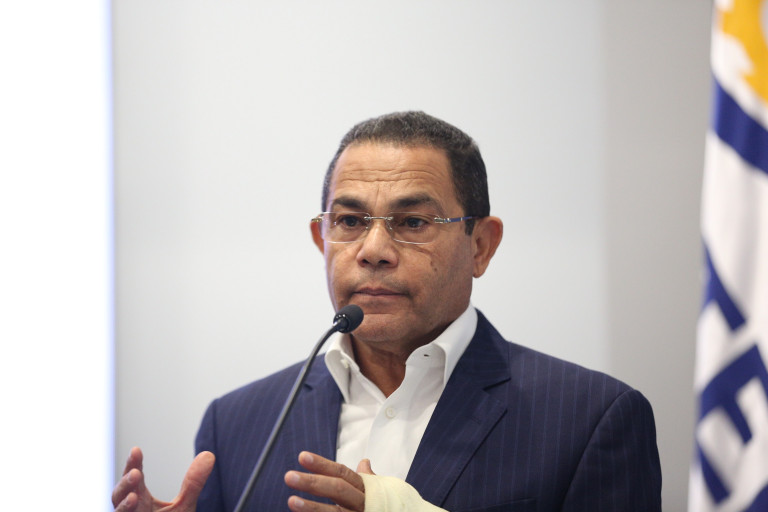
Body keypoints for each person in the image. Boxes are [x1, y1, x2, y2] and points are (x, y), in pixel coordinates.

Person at [112, 111, 662, 512]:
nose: (373, 250)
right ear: (321, 240)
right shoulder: (237, 424)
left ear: (480, 246)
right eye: (350, 222)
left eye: (413, 222)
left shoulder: (590, 420)